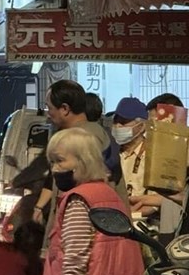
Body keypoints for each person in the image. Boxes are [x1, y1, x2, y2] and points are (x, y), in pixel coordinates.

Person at [42, 127, 148, 275]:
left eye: (59, 161)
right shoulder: (111, 197)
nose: (54, 169)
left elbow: (75, 261)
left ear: (83, 161)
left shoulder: (80, 201)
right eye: (52, 162)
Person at [33, 80, 124, 227]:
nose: (48, 114)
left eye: (49, 107)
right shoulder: (79, 134)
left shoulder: (87, 137)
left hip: (85, 226)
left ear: (65, 109)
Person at [131, 93, 188, 240]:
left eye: (155, 123)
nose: (150, 130)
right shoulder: (164, 154)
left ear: (173, 118)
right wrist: (144, 199)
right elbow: (178, 197)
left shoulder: (184, 153)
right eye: (150, 124)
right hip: (172, 232)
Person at [111, 97, 149, 197]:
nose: (117, 126)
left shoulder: (151, 155)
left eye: (123, 122)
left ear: (141, 127)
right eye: (115, 121)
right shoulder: (110, 153)